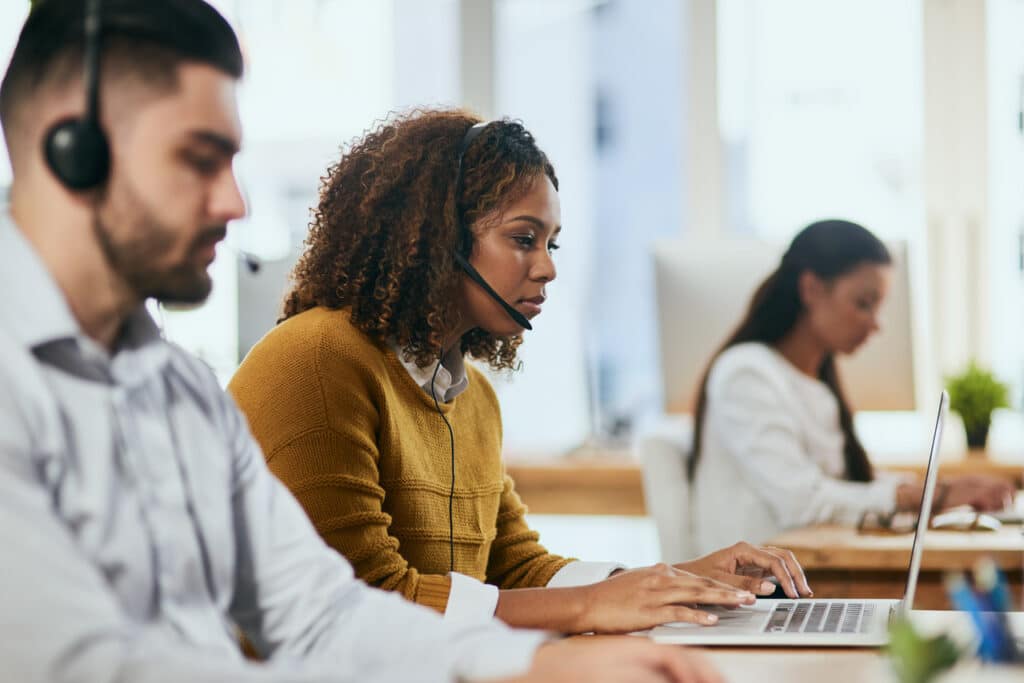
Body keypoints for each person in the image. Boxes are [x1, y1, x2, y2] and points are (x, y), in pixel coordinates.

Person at [0, 2, 723, 682]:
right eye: (198, 157)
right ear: (72, 147)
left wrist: (537, 665)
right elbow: (93, 665)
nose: (236, 202)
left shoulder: (177, 394)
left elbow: (324, 614)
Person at [228, 109, 813, 636]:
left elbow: (513, 565)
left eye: (552, 243)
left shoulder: (470, 393)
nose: (548, 268)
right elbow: (368, 599)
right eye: (523, 239)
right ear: (438, 238)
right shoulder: (319, 360)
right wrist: (591, 607)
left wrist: (673, 579)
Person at [689, 219, 1014, 554]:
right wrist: (932, 494)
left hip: (803, 569)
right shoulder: (747, 373)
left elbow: (842, 484)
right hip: (759, 589)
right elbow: (801, 502)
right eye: (863, 303)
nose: (875, 324)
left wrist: (938, 490)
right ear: (811, 288)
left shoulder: (815, 382)